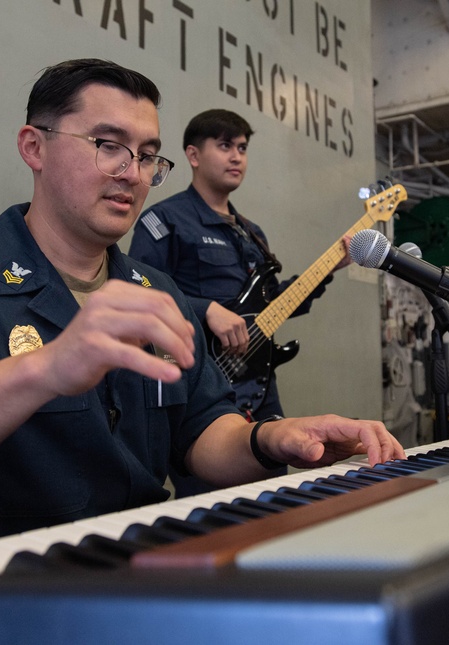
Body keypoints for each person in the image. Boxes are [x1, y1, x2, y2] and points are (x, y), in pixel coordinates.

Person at [0, 59, 403, 555]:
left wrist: (275, 439)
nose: (131, 173)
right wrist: (45, 370)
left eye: (146, 155)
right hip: (3, 609)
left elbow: (198, 436)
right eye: (108, 145)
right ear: (34, 146)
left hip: (142, 586)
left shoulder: (157, 294)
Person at [128, 108, 351, 495]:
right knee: (207, 501)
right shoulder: (164, 219)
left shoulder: (253, 233)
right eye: (225, 145)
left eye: (243, 148)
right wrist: (205, 310)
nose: (236, 157)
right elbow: (137, 290)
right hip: (200, 381)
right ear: (194, 155)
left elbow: (274, 309)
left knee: (270, 492)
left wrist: (330, 267)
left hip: (259, 381)